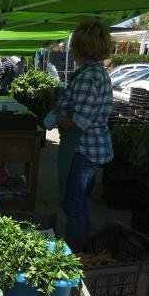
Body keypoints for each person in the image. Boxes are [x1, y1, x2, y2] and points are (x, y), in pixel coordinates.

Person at [50, 19, 113, 239]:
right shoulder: (95, 72)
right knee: (78, 201)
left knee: (73, 203)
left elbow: (80, 122)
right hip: (90, 149)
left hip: (83, 150)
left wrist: (56, 118)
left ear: (81, 46)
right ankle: (83, 246)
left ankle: (79, 252)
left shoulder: (88, 75)